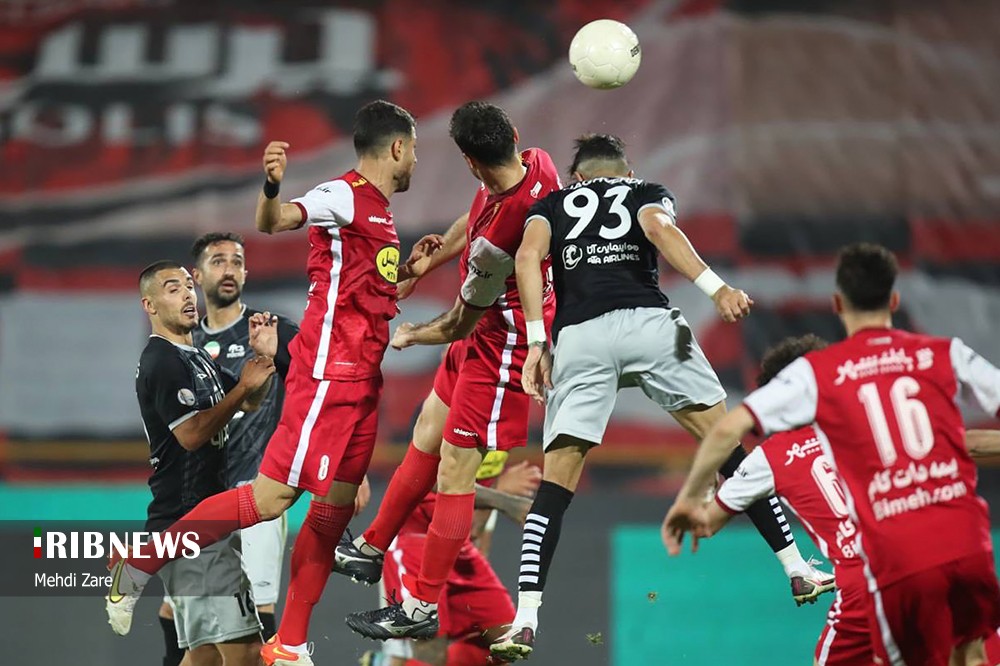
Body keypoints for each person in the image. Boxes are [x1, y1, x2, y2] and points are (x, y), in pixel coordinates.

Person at [106, 100, 436, 666]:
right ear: (398, 147)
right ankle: (139, 563)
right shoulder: (344, 194)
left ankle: (291, 644)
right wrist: (271, 186)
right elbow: (275, 220)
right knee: (271, 499)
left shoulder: (380, 215)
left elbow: (362, 295)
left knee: (333, 512)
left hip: (363, 382)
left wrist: (408, 275)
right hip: (328, 375)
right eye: (415, 152)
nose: (415, 164)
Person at [491, 133, 828, 661]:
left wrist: (537, 343)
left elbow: (528, 258)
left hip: (580, 338)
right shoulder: (644, 190)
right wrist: (717, 288)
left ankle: (525, 618)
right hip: (651, 327)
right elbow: (657, 229)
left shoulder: (551, 204)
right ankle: (797, 568)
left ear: (577, 177)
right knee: (729, 449)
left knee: (554, 491)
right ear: (627, 172)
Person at [664, 243, 1000, 666]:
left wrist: (693, 499)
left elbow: (726, 436)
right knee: (970, 654)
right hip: (963, 542)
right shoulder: (929, 362)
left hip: (881, 571)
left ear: (838, 304)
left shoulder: (816, 392)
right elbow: (964, 442)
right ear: (895, 300)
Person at [337, 101, 564, 641]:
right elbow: (477, 213)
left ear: (468, 160)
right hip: (482, 338)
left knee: (455, 475)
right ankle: (371, 546)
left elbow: (460, 321)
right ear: (513, 136)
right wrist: (426, 263)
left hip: (502, 351)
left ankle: (419, 606)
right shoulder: (539, 162)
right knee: (426, 431)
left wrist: (411, 334)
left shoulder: (496, 248)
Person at [704, 334, 1000, 666]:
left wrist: (703, 488)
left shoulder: (772, 456)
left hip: (866, 581)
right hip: (937, 557)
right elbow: (968, 443)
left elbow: (704, 522)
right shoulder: (873, 421)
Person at [129, 260, 277, 666]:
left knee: (204, 656)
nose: (187, 295)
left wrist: (262, 361)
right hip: (191, 522)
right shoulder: (163, 360)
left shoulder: (195, 356)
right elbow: (192, 436)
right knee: (247, 652)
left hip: (196, 522)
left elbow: (249, 401)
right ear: (150, 305)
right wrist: (242, 388)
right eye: (172, 288)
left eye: (188, 286)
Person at [363, 457, 541, 666]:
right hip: (416, 541)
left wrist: (495, 494)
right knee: (429, 652)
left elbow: (475, 526)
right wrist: (502, 498)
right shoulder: (462, 434)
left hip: (458, 543)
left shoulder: (501, 444)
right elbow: (433, 476)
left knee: (506, 639)